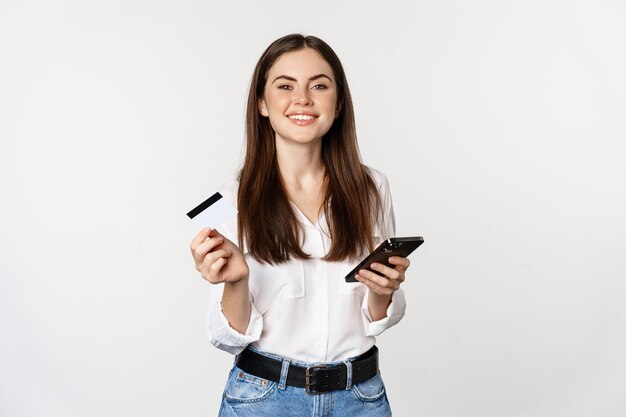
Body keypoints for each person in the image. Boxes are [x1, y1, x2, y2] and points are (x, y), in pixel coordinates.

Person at [190, 34, 411, 417]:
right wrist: (235, 280)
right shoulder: (225, 201)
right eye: (285, 85)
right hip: (263, 401)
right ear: (262, 102)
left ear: (338, 103)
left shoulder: (373, 187)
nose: (303, 99)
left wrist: (383, 291)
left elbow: (375, 320)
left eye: (319, 85)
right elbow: (225, 336)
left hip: (359, 399)